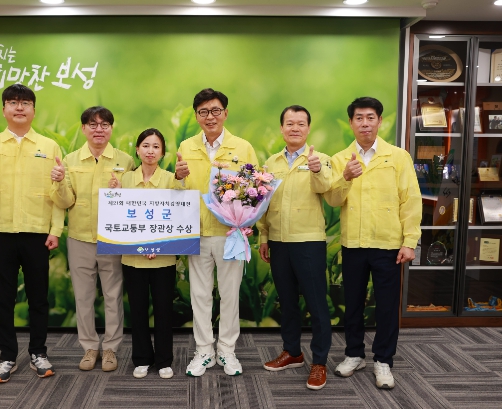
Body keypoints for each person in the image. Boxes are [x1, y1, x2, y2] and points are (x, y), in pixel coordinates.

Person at [0, 83, 61, 383]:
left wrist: (55, 230)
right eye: (13, 102)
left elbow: (59, 192)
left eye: (25, 103)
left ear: (34, 110)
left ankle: (38, 352)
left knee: (38, 299)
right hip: (0, 233)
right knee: (3, 299)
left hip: (36, 234)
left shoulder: (49, 146)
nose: (19, 107)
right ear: (4, 109)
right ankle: (6, 356)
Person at [324, 97, 422, 389]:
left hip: (387, 244)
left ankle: (383, 360)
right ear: (351, 122)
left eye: (370, 117)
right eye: (359, 118)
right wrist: (345, 178)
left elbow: (411, 200)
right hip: (353, 243)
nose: (364, 123)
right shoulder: (340, 159)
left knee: (387, 306)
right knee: (353, 303)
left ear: (380, 121)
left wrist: (409, 241)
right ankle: (354, 354)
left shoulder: (398, 157)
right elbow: (332, 200)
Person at [175, 88, 258, 376]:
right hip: (196, 234)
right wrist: (178, 178)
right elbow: (179, 191)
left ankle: (227, 351)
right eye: (203, 112)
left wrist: (248, 220)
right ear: (196, 116)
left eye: (215, 111)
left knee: (230, 295)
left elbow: (255, 189)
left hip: (229, 234)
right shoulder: (186, 146)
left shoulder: (242, 147)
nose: (209, 117)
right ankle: (203, 351)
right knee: (199, 295)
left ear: (225, 113)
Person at [50, 106, 135, 372]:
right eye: (93, 124)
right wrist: (60, 181)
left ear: (112, 128)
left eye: (104, 124)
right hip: (80, 238)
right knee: (83, 297)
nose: (99, 129)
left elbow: (135, 200)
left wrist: (122, 191)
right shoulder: (70, 160)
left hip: (112, 239)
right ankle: (89, 347)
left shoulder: (125, 161)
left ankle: (110, 348)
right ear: (83, 128)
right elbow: (65, 201)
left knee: (113, 295)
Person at [258, 105, 332, 390]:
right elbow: (264, 203)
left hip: (308, 241)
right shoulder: (272, 162)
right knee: (286, 301)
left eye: (301, 123)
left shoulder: (320, 159)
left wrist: (316, 170)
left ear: (308, 129)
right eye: (290, 123)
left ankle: (319, 362)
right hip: (279, 241)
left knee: (316, 303)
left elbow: (327, 189)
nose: (295, 128)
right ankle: (292, 352)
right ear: (281, 128)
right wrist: (264, 237)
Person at [115, 128, 182, 379]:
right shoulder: (125, 179)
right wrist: (113, 192)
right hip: (133, 259)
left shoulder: (171, 180)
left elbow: (178, 217)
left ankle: (164, 360)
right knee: (138, 310)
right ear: (137, 150)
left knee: (164, 311)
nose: (150, 151)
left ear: (163, 152)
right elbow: (120, 217)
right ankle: (142, 358)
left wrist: (156, 246)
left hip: (163, 259)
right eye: (145, 145)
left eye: (156, 146)